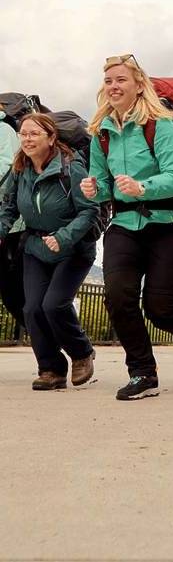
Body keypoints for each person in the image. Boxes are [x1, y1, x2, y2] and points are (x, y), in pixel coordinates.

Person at [80, 54, 173, 401]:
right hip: (123, 224)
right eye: (108, 81)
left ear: (138, 86)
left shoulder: (160, 125)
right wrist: (95, 189)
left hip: (168, 225)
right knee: (118, 297)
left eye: (121, 80)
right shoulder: (101, 133)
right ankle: (142, 373)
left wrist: (143, 188)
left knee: (159, 308)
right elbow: (104, 184)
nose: (114, 86)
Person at [0, 113, 98, 390]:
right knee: (31, 308)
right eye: (23, 134)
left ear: (51, 138)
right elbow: (8, 209)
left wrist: (64, 237)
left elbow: (89, 210)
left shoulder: (72, 168)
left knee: (54, 305)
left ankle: (81, 353)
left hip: (74, 249)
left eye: (34, 134)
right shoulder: (21, 170)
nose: (27, 140)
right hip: (35, 248)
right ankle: (51, 369)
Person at [0, 103, 26, 335]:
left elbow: (8, 165)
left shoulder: (4, 130)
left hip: (11, 225)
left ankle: (53, 335)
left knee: (13, 291)